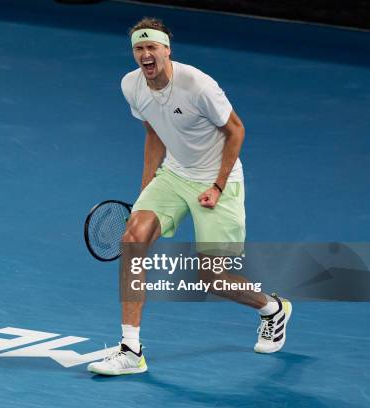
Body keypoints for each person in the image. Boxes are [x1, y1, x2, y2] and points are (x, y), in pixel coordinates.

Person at [88, 18, 292, 376]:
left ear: (168, 50)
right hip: (174, 174)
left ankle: (272, 307)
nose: (146, 54)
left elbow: (236, 130)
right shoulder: (131, 85)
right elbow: (153, 131)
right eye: (139, 48)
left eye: (152, 47)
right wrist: (146, 189)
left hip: (217, 179)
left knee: (212, 277)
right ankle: (130, 349)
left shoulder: (197, 84)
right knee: (132, 240)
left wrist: (217, 186)